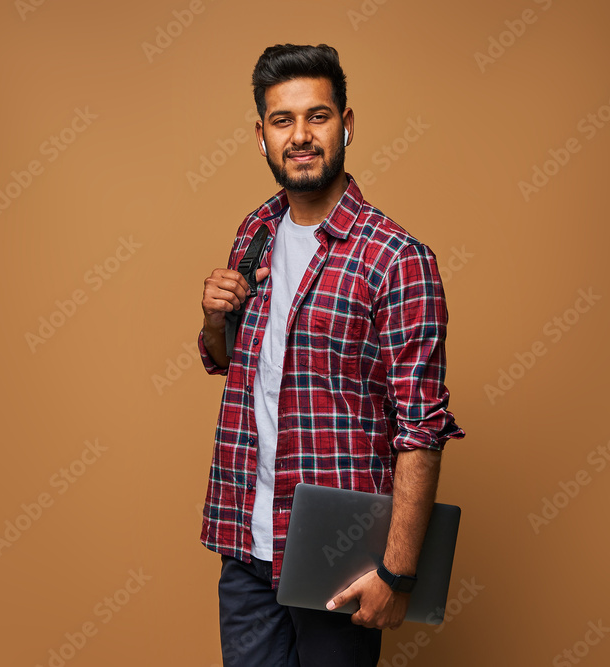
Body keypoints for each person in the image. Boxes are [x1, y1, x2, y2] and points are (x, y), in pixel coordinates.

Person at [197, 43, 464, 667]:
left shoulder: (396, 259)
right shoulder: (254, 230)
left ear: (347, 123)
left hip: (335, 555)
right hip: (245, 545)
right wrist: (214, 319)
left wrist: (397, 573)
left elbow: (421, 429)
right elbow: (229, 360)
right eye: (282, 120)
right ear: (260, 134)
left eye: (317, 116)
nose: (301, 136)